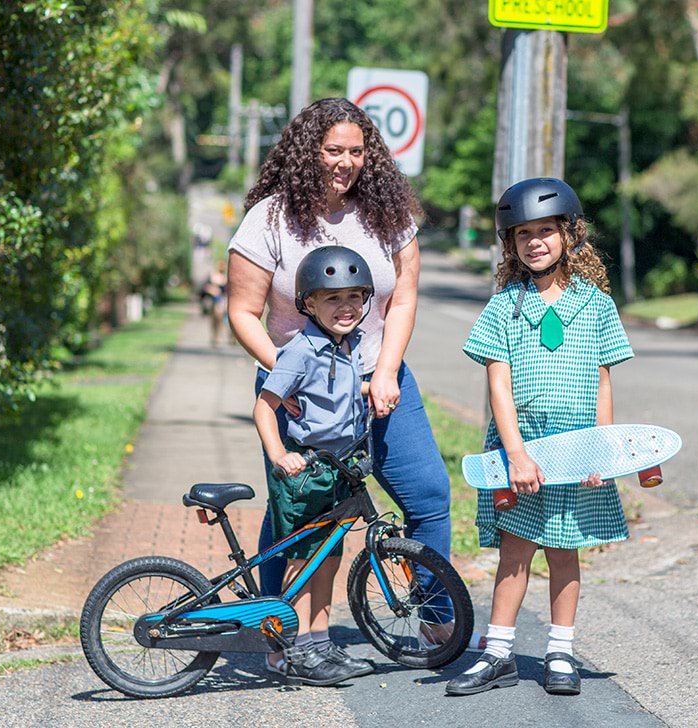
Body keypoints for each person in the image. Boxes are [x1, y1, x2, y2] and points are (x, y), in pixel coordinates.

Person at [227, 97, 476, 659]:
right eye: (333, 150)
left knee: (430, 495)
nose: (345, 162)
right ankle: (281, 632)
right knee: (298, 512)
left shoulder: (387, 213)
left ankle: (434, 617)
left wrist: (386, 369)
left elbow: (406, 294)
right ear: (307, 151)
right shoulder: (271, 218)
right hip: (300, 388)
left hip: (381, 382)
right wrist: (286, 376)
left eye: (356, 151)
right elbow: (242, 311)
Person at [447, 178, 635, 697]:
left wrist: (603, 449)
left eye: (545, 231)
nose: (534, 242)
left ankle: (560, 651)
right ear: (510, 243)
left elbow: (602, 380)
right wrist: (516, 455)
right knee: (515, 552)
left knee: (564, 552)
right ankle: (498, 653)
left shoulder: (596, 305)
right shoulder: (503, 306)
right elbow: (498, 385)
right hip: (522, 451)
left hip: (577, 452)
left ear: (569, 234)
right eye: (522, 233)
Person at [252, 245, 376, 686]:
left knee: (328, 557)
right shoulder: (300, 351)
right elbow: (264, 407)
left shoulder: (350, 345)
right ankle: (296, 646)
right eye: (332, 298)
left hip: (339, 469)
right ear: (308, 303)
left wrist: (365, 393)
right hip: (304, 472)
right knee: (302, 560)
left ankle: (320, 643)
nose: (346, 307)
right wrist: (278, 455)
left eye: (354, 297)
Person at [202, 258, 229, 346]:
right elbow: (203, 287)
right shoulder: (212, 276)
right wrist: (212, 289)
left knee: (222, 317)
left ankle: (222, 336)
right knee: (214, 320)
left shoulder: (227, 277)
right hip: (213, 300)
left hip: (223, 301)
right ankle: (214, 335)